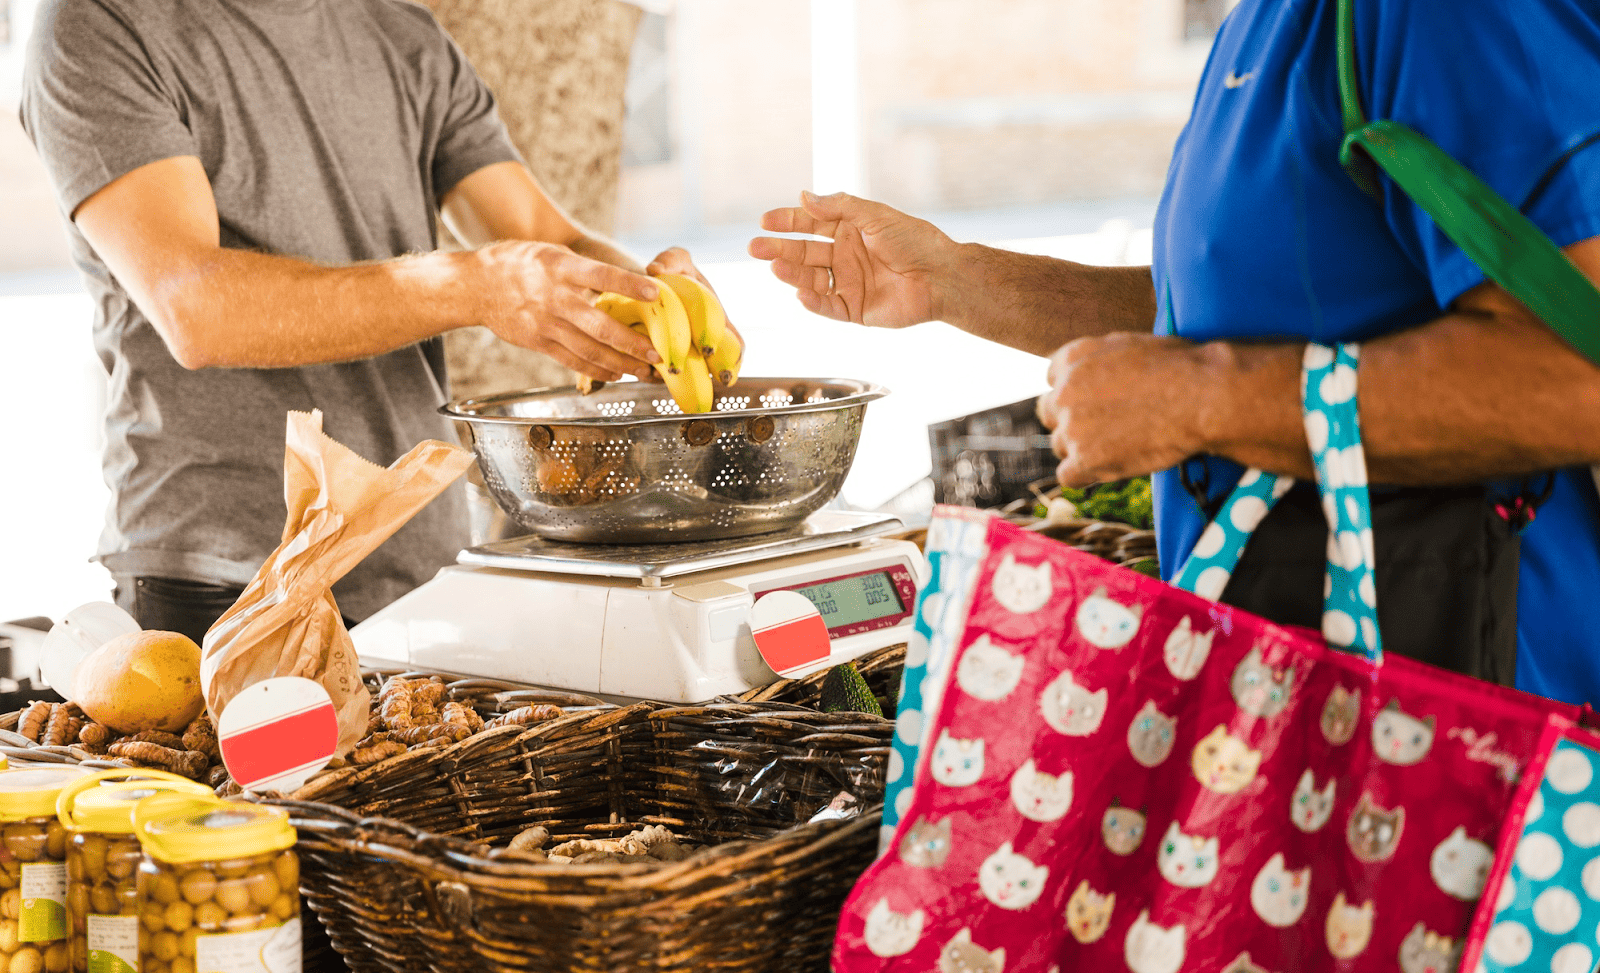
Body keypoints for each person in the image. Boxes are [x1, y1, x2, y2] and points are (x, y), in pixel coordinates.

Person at [753, 0, 1600, 710]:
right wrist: (952, 282)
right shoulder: (1266, 22)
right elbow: (1230, 311)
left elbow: (1577, 375)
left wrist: (1207, 399)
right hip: (1310, 711)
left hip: (1471, 726)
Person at [20, 0, 725, 643]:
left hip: (417, 567)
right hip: (223, 577)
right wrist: (476, 285)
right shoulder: (99, 24)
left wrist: (651, 291)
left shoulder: (401, 32)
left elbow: (540, 230)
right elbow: (196, 305)